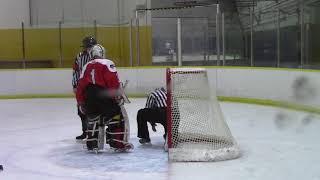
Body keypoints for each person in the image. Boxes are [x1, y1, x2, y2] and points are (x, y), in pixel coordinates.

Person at [76, 46, 132, 151]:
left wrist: (81, 103)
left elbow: (80, 88)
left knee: (92, 118)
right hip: (104, 98)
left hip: (89, 101)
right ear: (102, 53)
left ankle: (92, 143)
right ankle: (117, 143)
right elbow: (113, 82)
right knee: (116, 116)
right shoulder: (107, 63)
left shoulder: (86, 66)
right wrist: (117, 97)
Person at [72, 36, 105, 140]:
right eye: (87, 47)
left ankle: (97, 131)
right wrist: (75, 85)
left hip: (96, 86)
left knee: (96, 109)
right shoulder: (79, 57)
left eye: (91, 47)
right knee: (82, 110)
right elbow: (76, 71)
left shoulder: (99, 57)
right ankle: (85, 131)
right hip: (83, 86)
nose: (89, 49)